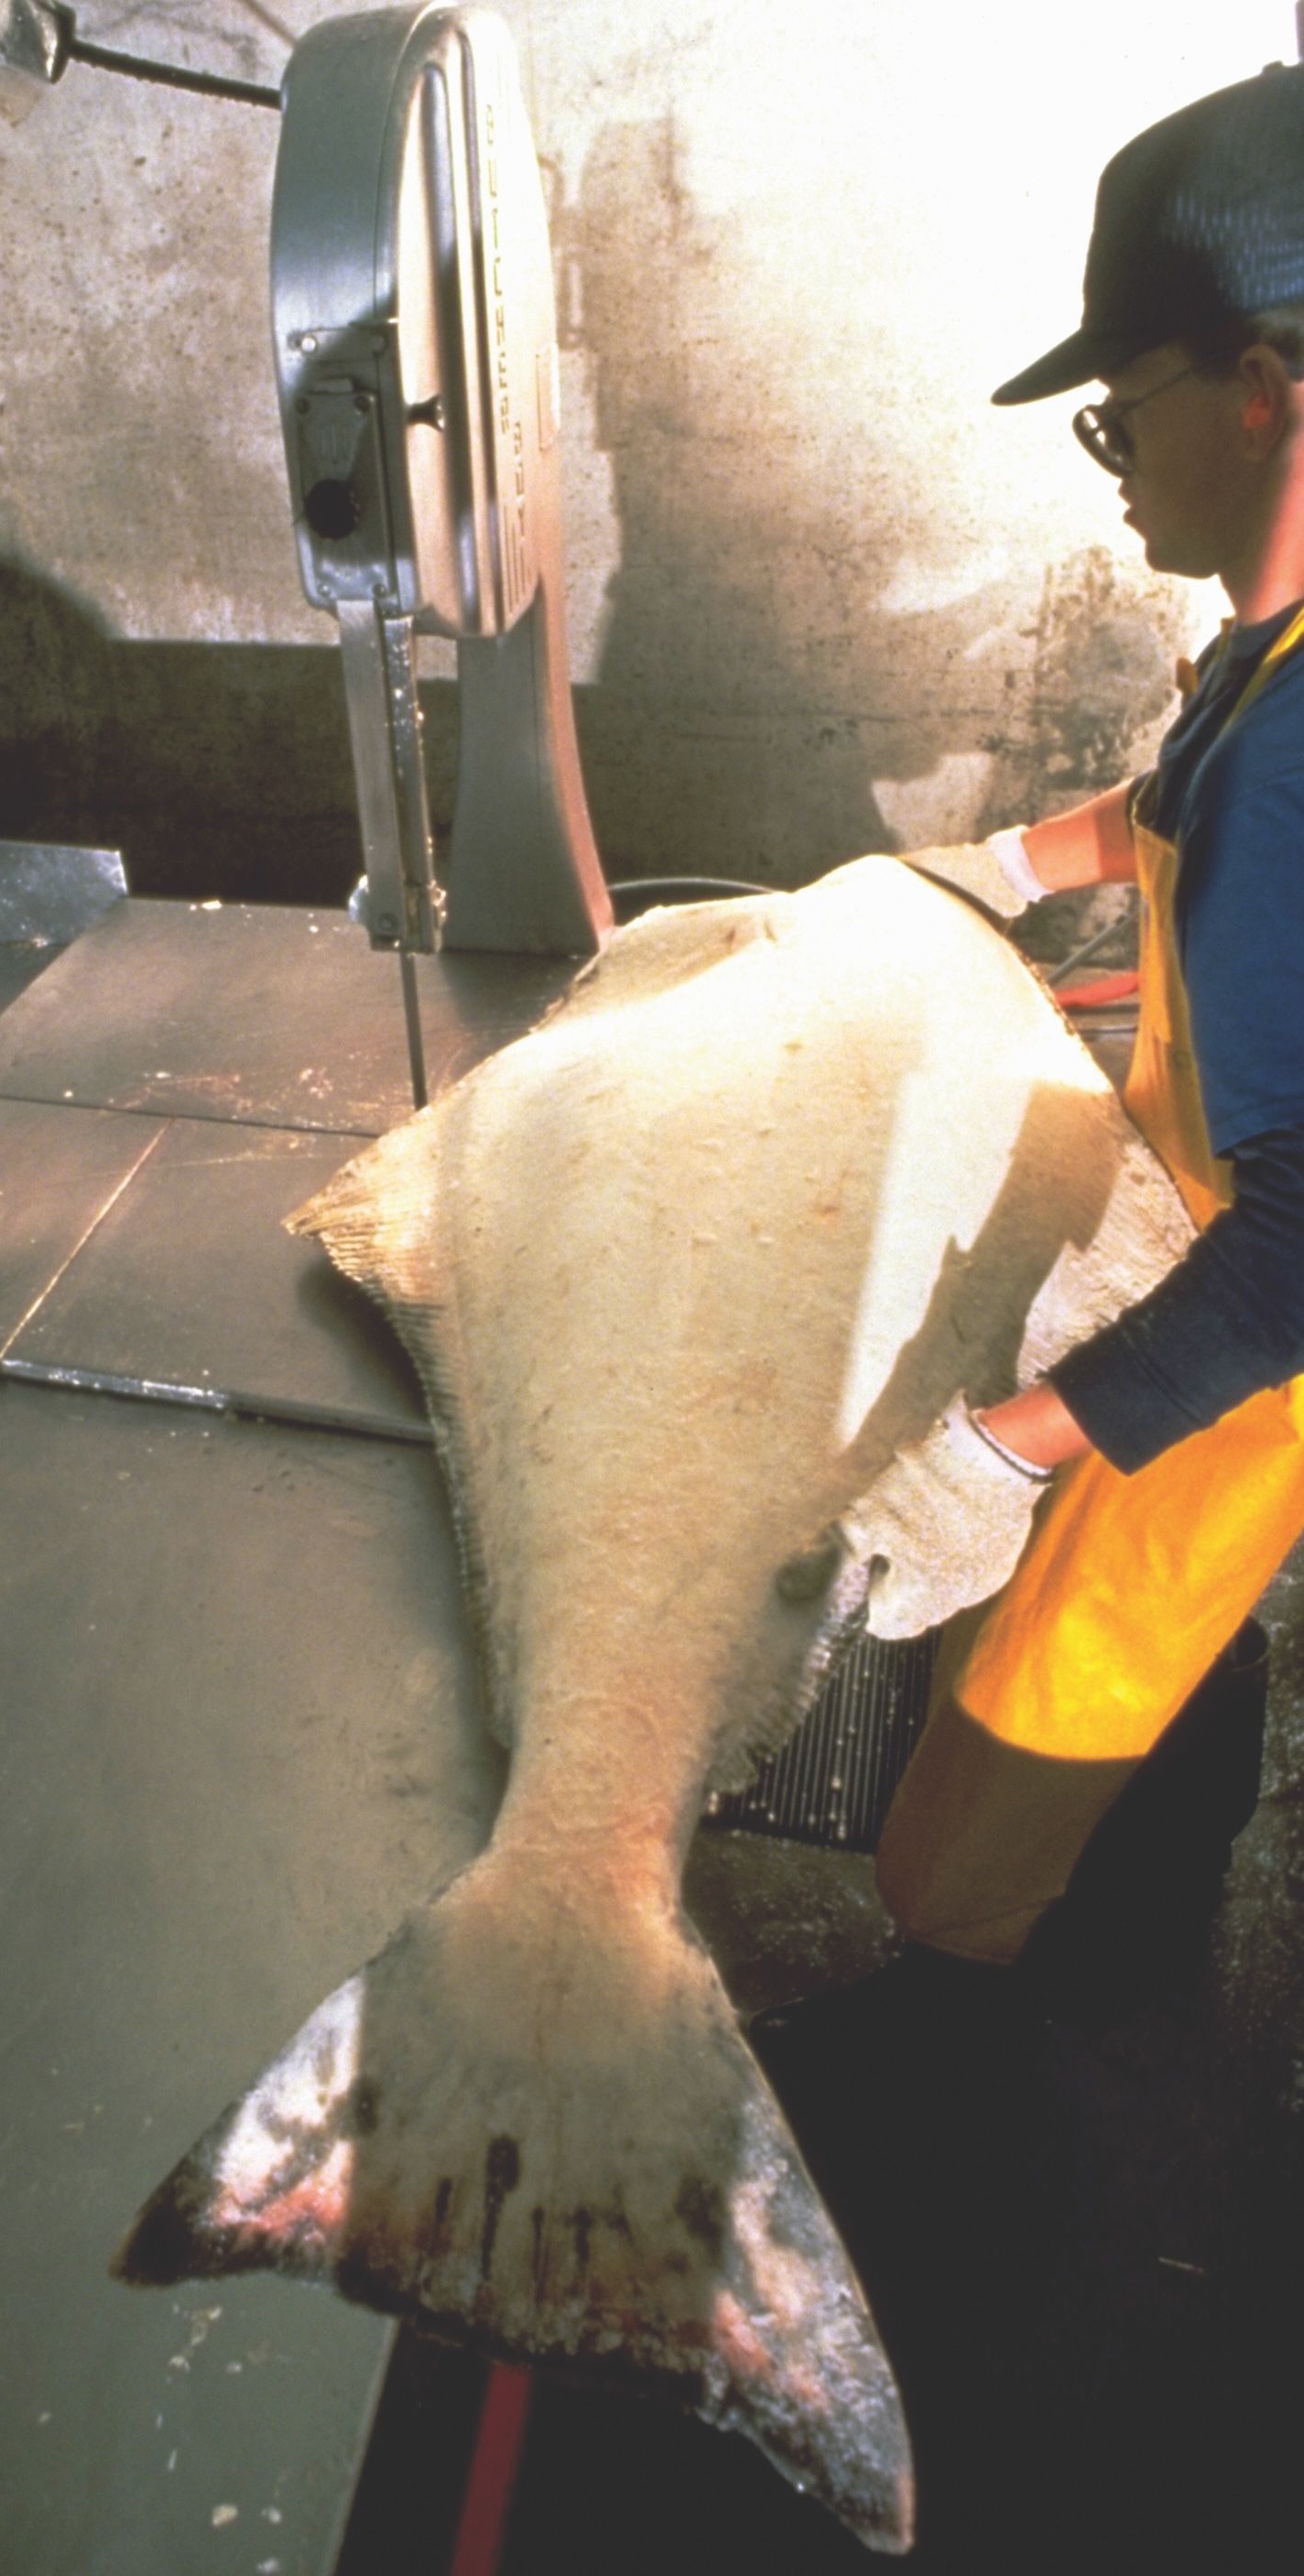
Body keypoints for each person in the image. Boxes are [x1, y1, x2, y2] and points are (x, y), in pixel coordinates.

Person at [802, 63, 1304, 1997]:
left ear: (1262, 382)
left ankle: (1051, 2124)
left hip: (1231, 1359)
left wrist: (1008, 1446)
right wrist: (992, 866)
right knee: (1152, 1713)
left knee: (977, 1849)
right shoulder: (1260, 658)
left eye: (1123, 404)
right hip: (1183, 1255)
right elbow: (1172, 799)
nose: (1106, 455)